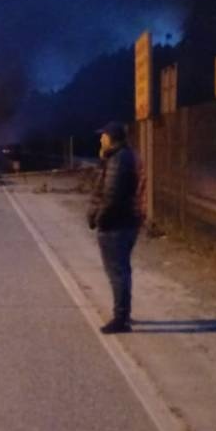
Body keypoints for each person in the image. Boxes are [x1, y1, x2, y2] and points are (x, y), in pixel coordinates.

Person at [87, 121, 145, 334]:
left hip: (115, 225)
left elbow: (111, 196)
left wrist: (99, 219)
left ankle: (121, 319)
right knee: (121, 270)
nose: (101, 139)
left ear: (111, 137)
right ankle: (123, 313)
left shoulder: (118, 160)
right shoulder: (118, 157)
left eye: (103, 136)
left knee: (117, 272)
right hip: (123, 222)